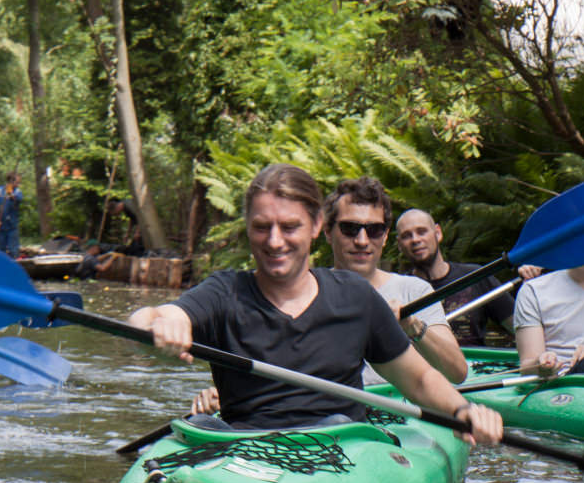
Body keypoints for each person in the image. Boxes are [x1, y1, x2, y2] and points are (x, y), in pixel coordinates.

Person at [129, 163, 500, 443]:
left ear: (315, 225)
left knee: (335, 426)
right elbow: (149, 316)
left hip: (338, 444)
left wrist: (462, 410)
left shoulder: (355, 297)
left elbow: (419, 379)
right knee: (196, 426)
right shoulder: (225, 292)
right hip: (243, 448)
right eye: (262, 227)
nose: (275, 241)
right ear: (247, 227)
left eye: (289, 227)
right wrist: (158, 322)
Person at [324, 179, 467, 385]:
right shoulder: (307, 290)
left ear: (384, 237)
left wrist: (413, 327)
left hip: (400, 410)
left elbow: (458, 373)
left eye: (374, 230)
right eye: (349, 228)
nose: (362, 241)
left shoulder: (414, 290)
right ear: (328, 233)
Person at [395, 208, 541, 347]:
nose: (415, 240)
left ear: (437, 233)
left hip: (477, 368)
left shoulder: (476, 277)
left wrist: (532, 288)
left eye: (422, 232)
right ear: (399, 245)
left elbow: (521, 328)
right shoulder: (398, 290)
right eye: (406, 236)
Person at [0, 172, 23, 258]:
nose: (18, 184)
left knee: (14, 249)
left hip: (12, 226)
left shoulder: (17, 192)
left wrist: (11, 195)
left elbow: (18, 199)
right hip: (0, 225)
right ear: (11, 181)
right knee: (0, 250)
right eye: (17, 182)